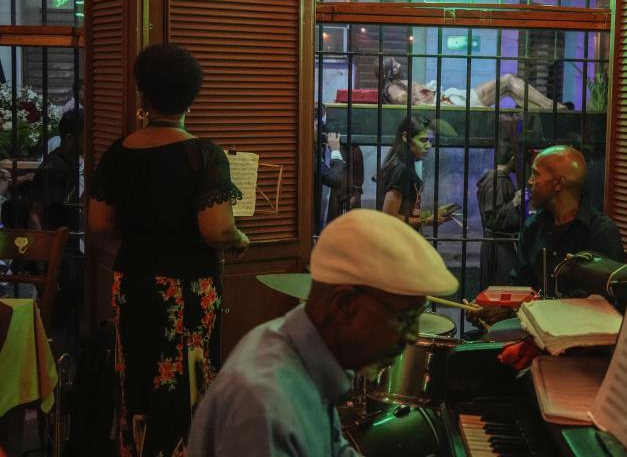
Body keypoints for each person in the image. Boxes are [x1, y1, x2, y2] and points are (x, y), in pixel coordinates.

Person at [187, 209, 458, 456]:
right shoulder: (263, 403)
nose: (411, 336)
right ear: (343, 305)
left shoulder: (297, 353)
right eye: (404, 319)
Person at [87, 44, 249, 457]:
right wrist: (239, 240)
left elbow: (100, 223)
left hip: (133, 282)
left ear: (143, 94)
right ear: (192, 98)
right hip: (186, 288)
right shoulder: (203, 155)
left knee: (135, 379)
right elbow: (217, 230)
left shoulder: (119, 150)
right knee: (186, 385)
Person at [469, 145, 623, 328]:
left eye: (535, 174)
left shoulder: (600, 232)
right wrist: (497, 305)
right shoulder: (533, 226)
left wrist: (529, 305)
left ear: (558, 184)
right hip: (535, 330)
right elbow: (520, 283)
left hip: (580, 338)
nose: (530, 181)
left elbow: (601, 302)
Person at [379, 56, 561, 110]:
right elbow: (407, 101)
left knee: (508, 91)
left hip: (453, 98)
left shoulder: (399, 83)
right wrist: (422, 97)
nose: (399, 64)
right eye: (394, 64)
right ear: (388, 70)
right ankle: (551, 107)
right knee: (508, 81)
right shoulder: (393, 88)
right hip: (454, 102)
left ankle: (546, 110)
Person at [376, 115, 456, 230]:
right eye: (423, 140)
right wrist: (426, 221)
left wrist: (431, 214)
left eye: (430, 140)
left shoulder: (405, 164)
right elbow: (389, 216)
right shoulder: (401, 168)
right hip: (396, 241)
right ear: (405, 137)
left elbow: (405, 211)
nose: (429, 146)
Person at [476, 143, 523, 286]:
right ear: (512, 158)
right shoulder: (498, 182)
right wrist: (514, 203)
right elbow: (493, 220)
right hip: (500, 247)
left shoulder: (493, 179)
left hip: (495, 245)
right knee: (502, 292)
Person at [30, 109, 82, 231]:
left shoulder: (70, 160)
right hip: (55, 241)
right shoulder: (56, 167)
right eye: (85, 135)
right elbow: (35, 214)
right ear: (69, 138)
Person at [314, 104, 345, 233]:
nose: (321, 127)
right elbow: (334, 179)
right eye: (317, 123)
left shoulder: (316, 148)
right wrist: (336, 151)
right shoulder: (308, 155)